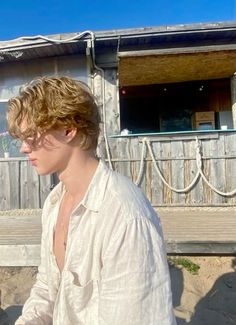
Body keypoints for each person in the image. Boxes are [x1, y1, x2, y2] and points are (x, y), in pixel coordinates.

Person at [7, 76, 176, 325]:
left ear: (69, 129)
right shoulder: (54, 202)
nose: (23, 147)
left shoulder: (124, 215)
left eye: (31, 135)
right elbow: (48, 288)